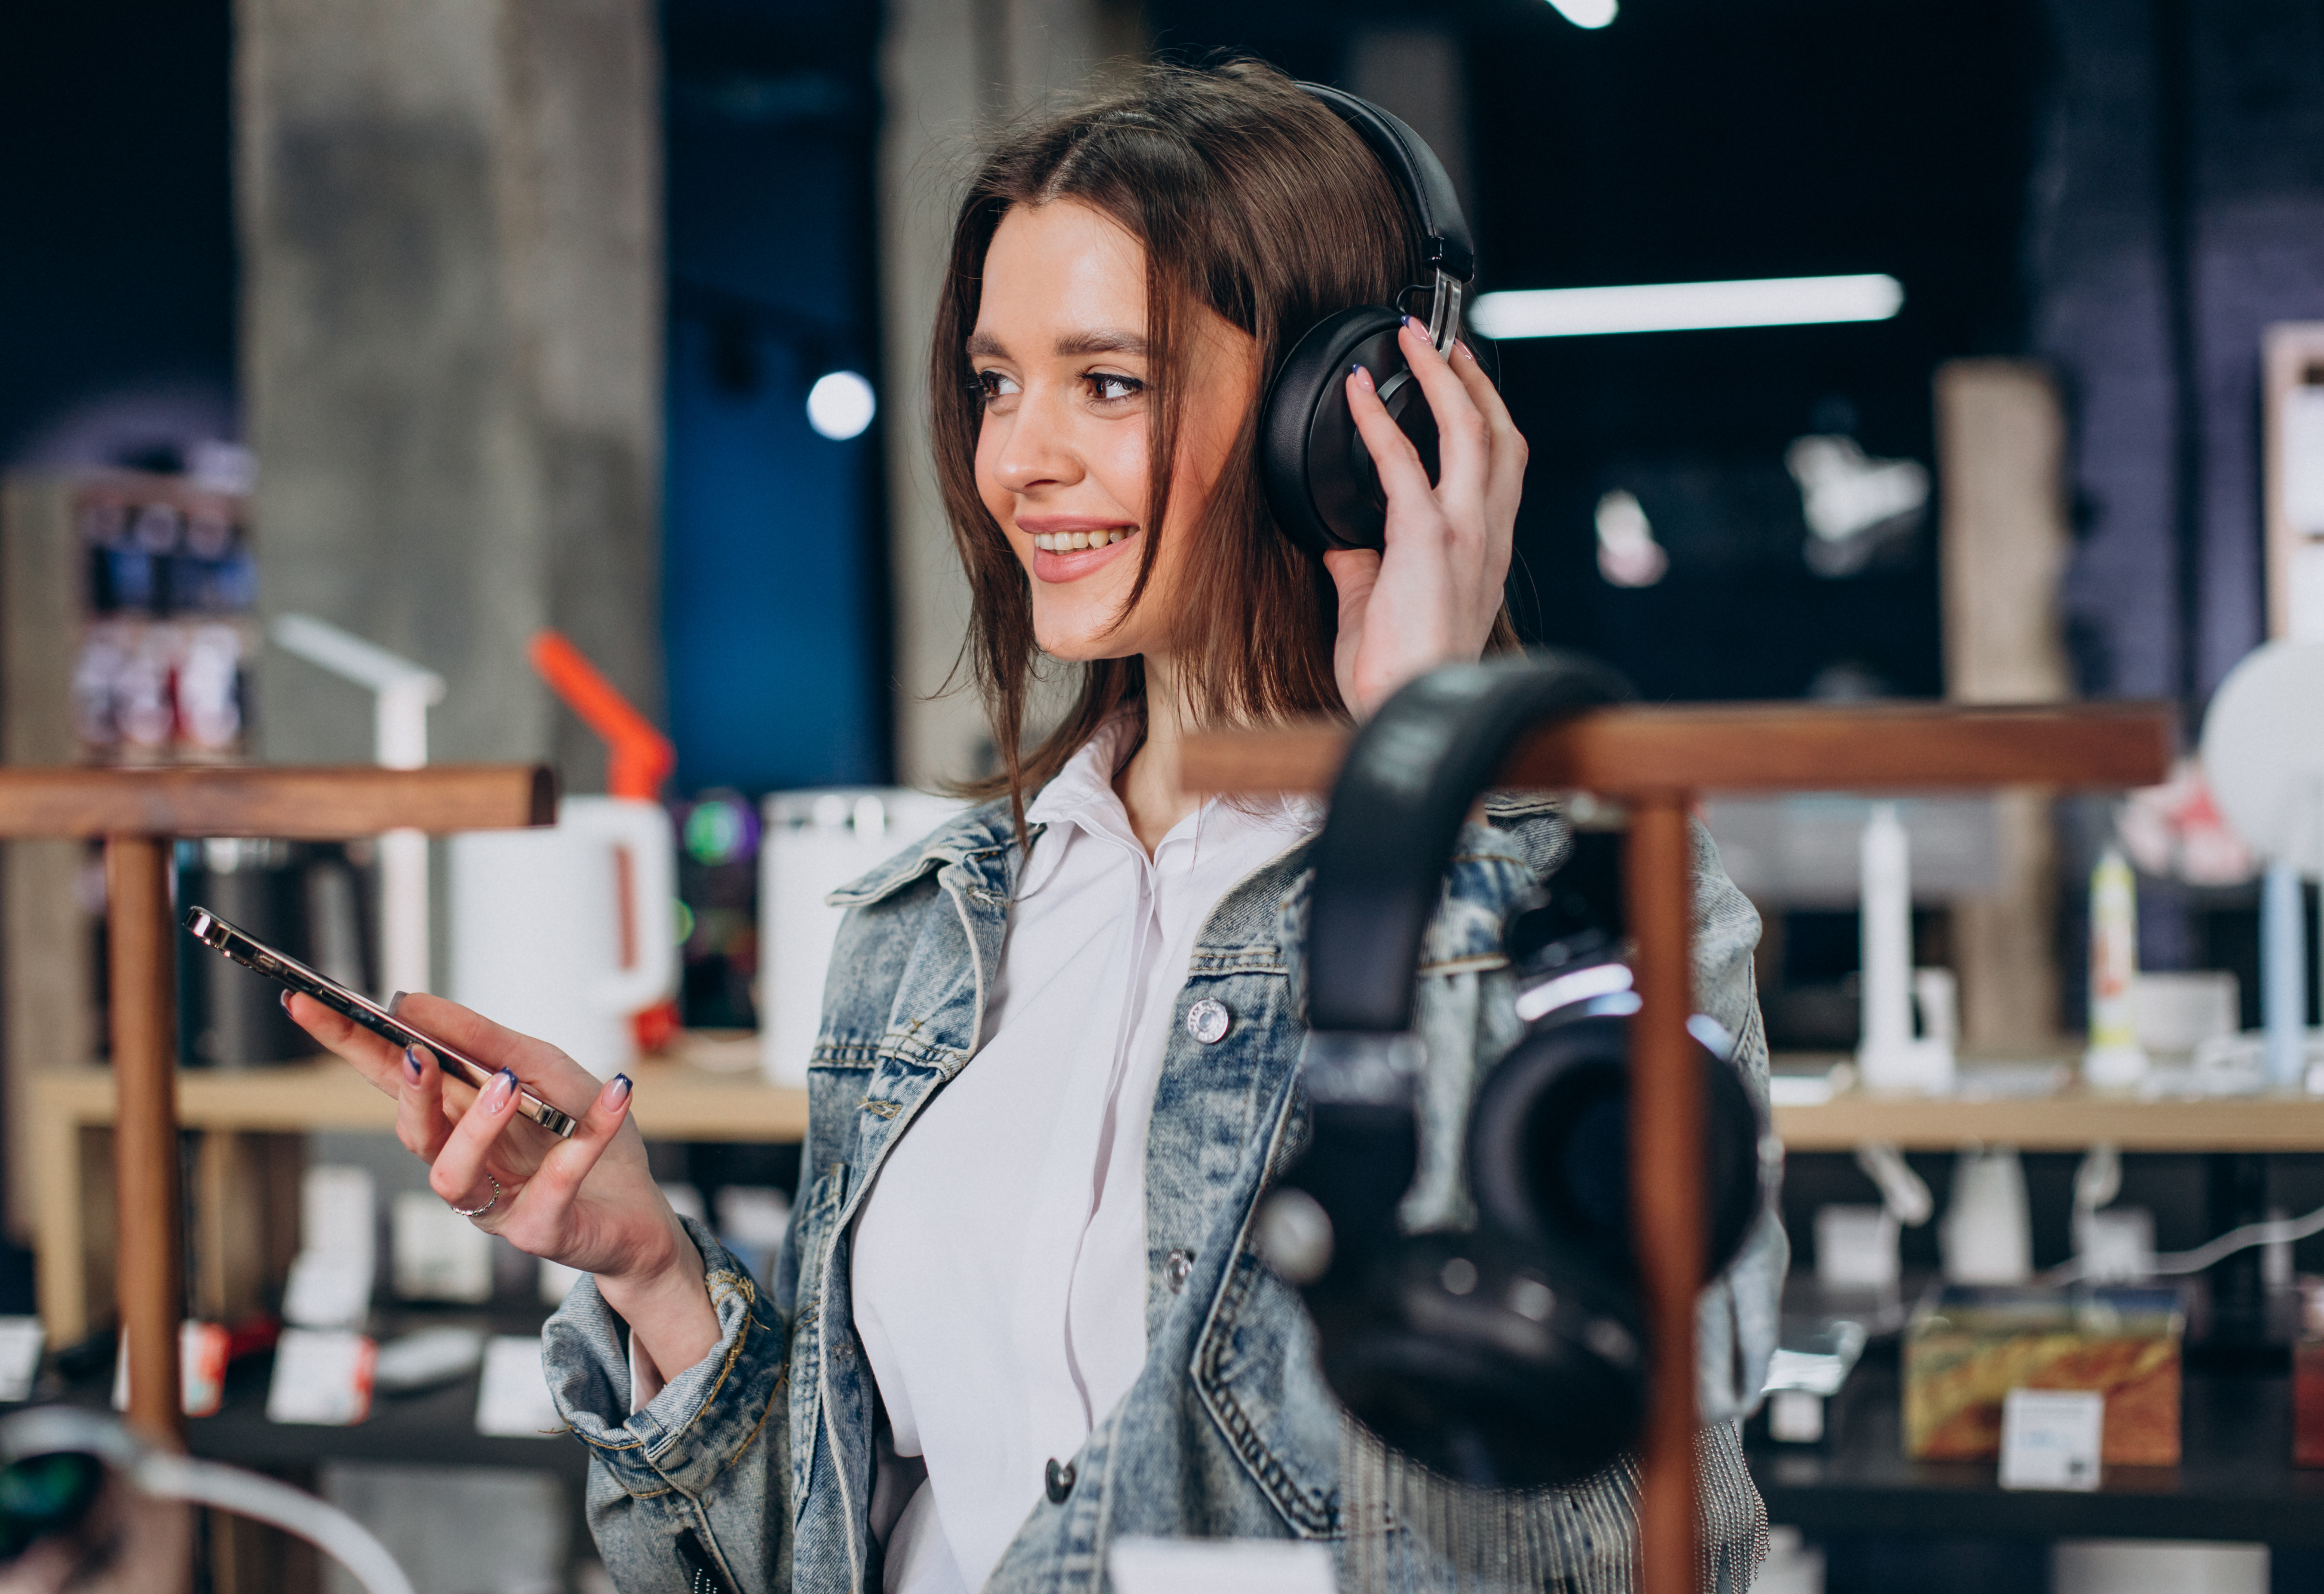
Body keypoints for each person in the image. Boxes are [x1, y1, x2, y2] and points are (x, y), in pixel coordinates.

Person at [292, 59, 1783, 1594]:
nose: (1018, 459)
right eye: (999, 381)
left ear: (1345, 412)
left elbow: (1609, 1535)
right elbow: (832, 1553)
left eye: (1109, 382)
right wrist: (652, 1271)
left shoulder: (1584, 909)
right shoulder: (920, 924)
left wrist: (1423, 777)